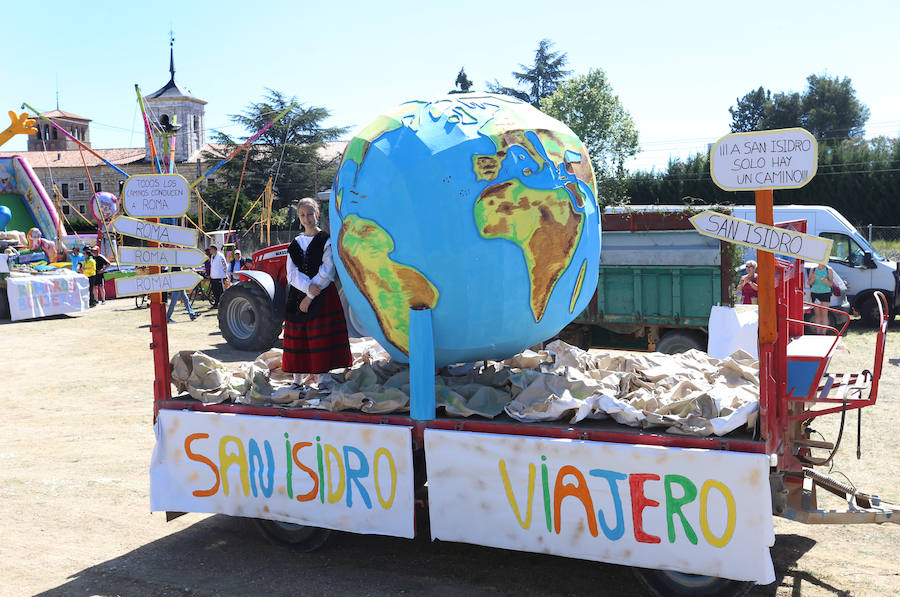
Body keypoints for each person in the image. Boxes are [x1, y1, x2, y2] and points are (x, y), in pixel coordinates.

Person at [283, 197, 352, 388]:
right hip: (298, 295)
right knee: (298, 338)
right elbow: (291, 273)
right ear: (299, 217)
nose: (307, 219)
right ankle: (297, 381)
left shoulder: (326, 240)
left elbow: (328, 270)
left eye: (310, 214)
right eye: (302, 215)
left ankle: (322, 378)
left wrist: (311, 296)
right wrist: (306, 290)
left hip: (322, 296)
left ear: (317, 214)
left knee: (319, 337)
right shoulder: (296, 242)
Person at [808, 262, 834, 334]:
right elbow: (809, 283)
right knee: (817, 315)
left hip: (825, 293)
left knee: (824, 315)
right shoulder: (813, 269)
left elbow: (831, 284)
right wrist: (813, 278)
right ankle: (818, 333)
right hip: (815, 294)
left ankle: (823, 333)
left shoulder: (828, 269)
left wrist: (825, 280)